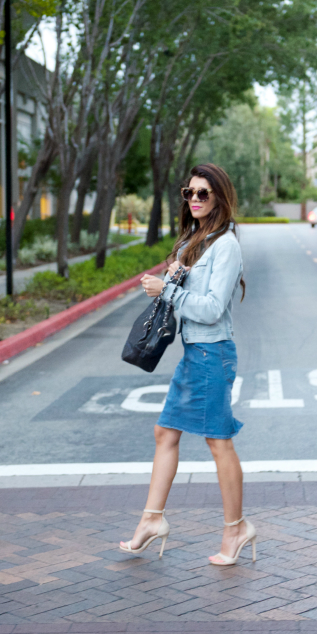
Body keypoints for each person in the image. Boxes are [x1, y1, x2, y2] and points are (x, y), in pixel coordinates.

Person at [119, 163, 254, 566]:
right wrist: (168, 280)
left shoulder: (226, 245)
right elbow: (184, 295)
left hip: (213, 354)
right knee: (165, 432)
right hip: (195, 353)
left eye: (203, 193)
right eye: (189, 193)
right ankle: (152, 520)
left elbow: (212, 309)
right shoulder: (196, 240)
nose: (194, 199)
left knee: (218, 442)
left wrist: (169, 291)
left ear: (220, 198)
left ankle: (237, 529)